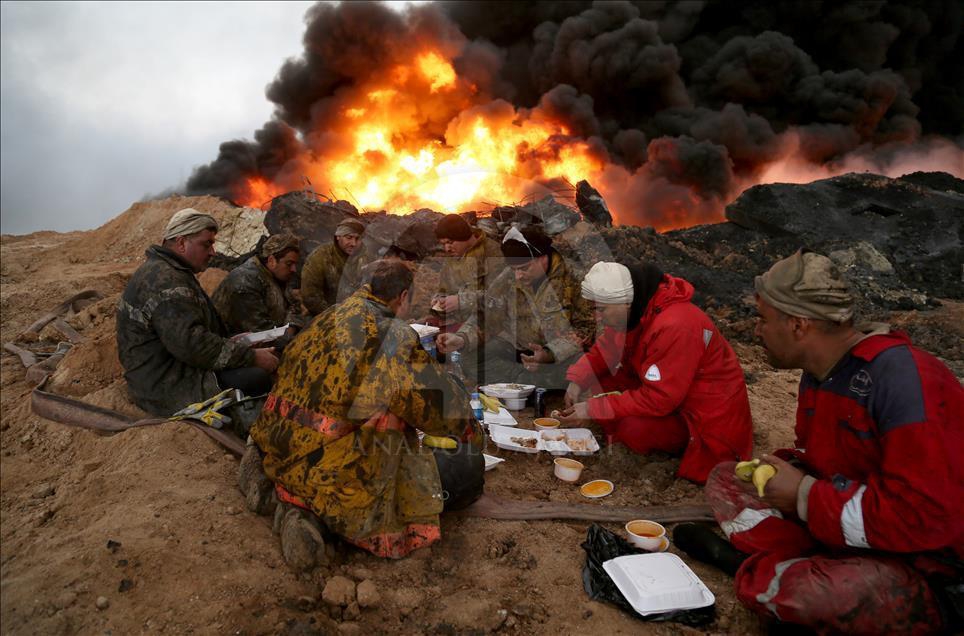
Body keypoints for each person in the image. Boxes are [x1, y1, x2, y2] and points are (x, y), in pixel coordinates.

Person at [679, 249, 963, 633]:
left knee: (818, 594)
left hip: (929, 562)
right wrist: (788, 469)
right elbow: (831, 461)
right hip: (852, 525)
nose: (756, 330)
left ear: (798, 325)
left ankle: (765, 571)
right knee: (726, 479)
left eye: (763, 319)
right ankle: (793, 568)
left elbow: (924, 517)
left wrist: (804, 495)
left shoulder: (904, 381)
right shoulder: (819, 375)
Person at [249, 260, 484, 559]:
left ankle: (284, 497)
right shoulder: (392, 334)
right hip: (330, 466)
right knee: (461, 467)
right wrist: (472, 434)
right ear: (401, 297)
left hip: (280, 443)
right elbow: (434, 409)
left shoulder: (328, 315)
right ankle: (328, 523)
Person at [559, 262, 753, 483]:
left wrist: (594, 408)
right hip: (673, 395)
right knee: (600, 381)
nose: (597, 317)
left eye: (601, 309)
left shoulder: (675, 326)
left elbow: (660, 399)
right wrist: (577, 380)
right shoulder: (636, 312)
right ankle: (618, 435)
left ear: (626, 302)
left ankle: (646, 448)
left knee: (634, 429)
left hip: (704, 419)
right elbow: (604, 350)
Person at [116, 208, 279, 416]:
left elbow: (192, 330)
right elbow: (192, 345)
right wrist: (251, 357)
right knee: (256, 378)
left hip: (169, 369)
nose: (213, 252)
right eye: (206, 244)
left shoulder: (172, 271)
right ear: (182, 243)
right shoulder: (165, 280)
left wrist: (234, 341)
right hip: (165, 385)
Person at [438, 225, 594, 389]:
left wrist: (548, 354)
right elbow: (488, 314)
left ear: (542, 257)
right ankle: (528, 382)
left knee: (584, 362)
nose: (518, 275)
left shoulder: (574, 278)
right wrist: (461, 338)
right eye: (514, 270)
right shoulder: (508, 278)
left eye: (524, 268)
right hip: (517, 348)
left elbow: (586, 328)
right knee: (469, 358)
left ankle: (527, 383)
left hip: (558, 355)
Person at [211, 233, 303, 338]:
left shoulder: (277, 275)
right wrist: (288, 333)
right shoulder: (245, 282)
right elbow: (259, 332)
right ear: (272, 261)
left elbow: (294, 306)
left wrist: (291, 326)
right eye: (289, 264)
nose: (294, 269)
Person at [431, 214, 505, 333]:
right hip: (457, 321)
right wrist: (439, 299)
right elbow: (444, 289)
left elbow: (501, 298)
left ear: (463, 236)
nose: (447, 249)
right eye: (443, 244)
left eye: (450, 242)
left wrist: (462, 301)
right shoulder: (452, 258)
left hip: (488, 325)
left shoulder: (492, 253)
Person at [300, 218, 365, 316]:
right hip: (326, 316)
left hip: (359, 315)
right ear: (338, 237)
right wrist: (333, 316)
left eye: (357, 238)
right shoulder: (320, 257)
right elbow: (310, 295)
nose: (353, 243)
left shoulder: (367, 257)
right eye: (349, 237)